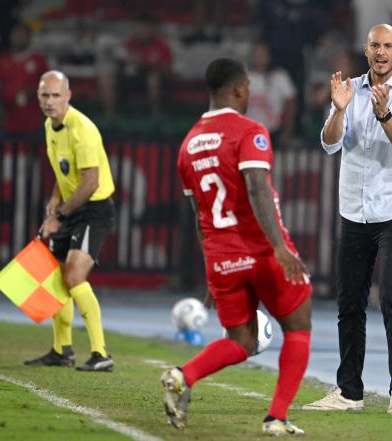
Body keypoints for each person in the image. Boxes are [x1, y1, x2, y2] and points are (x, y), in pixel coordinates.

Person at [161, 58, 312, 436]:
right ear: (240, 88)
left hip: (221, 258)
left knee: (241, 341)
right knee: (298, 328)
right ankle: (276, 417)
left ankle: (183, 374)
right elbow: (257, 186)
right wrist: (278, 246)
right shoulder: (249, 130)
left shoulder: (188, 144)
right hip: (261, 251)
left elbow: (200, 215)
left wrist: (212, 276)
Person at [302, 24, 392, 415]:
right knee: (349, 304)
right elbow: (329, 142)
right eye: (375, 45)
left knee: (391, 297)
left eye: (388, 46)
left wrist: (385, 113)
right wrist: (339, 110)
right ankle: (349, 392)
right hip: (353, 213)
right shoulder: (348, 90)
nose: (381, 52)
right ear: (366, 48)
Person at [24, 70, 115, 372]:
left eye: (55, 95)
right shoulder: (50, 126)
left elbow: (90, 182)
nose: (49, 102)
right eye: (44, 96)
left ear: (68, 96)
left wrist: (59, 216)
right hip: (72, 207)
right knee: (57, 277)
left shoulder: (82, 129)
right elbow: (66, 172)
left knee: (74, 275)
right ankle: (62, 350)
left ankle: (101, 354)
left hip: (94, 208)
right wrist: (55, 198)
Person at [0, 22, 48, 136]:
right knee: (10, 150)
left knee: (31, 150)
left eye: (23, 34)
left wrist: (32, 92)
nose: (19, 38)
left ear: (29, 37)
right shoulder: (3, 60)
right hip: (9, 119)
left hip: (32, 118)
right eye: (16, 34)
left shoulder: (39, 61)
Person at [246, 41, 297, 147]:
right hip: (249, 133)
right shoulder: (244, 77)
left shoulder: (280, 77)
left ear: (269, 56)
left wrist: (287, 131)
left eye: (262, 54)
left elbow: (291, 105)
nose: (259, 58)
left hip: (274, 132)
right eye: (256, 55)